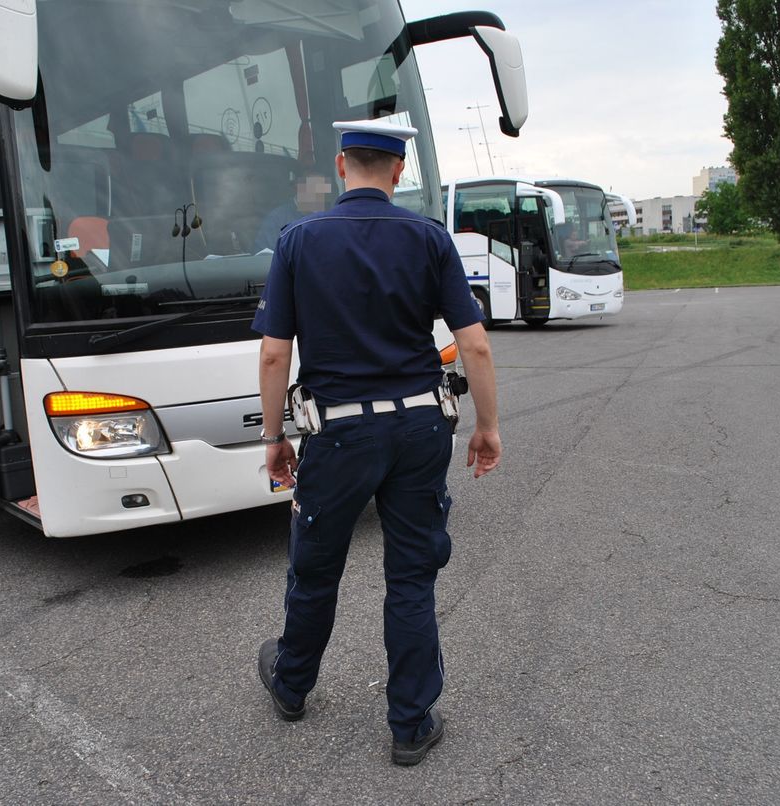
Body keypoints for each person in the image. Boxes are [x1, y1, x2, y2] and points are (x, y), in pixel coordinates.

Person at [251, 118, 502, 766]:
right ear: (397, 173)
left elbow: (275, 354)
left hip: (336, 434)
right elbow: (472, 342)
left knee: (315, 569)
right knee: (411, 577)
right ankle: (410, 723)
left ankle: (291, 685)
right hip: (420, 426)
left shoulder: (297, 241)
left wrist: (275, 435)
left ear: (342, 168)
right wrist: (486, 427)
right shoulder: (427, 238)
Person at [253, 169, 332, 251]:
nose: (318, 195)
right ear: (298, 188)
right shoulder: (278, 219)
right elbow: (263, 256)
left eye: (321, 189)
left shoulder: (331, 218)